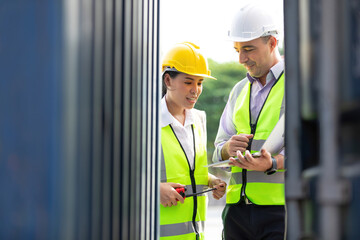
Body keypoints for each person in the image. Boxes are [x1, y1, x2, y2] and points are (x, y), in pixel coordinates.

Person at [212, 3, 286, 240]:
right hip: (236, 214)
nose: (242, 58)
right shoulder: (238, 91)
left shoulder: (298, 85)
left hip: (280, 212)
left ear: (272, 43)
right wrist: (226, 148)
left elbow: (314, 148)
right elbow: (217, 152)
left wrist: (273, 163)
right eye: (238, 50)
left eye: (249, 49)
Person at [159, 42, 227, 240]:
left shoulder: (199, 119)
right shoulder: (145, 121)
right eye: (188, 82)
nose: (195, 90)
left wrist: (211, 180)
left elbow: (191, 170)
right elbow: (121, 175)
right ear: (168, 81)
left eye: (200, 83)